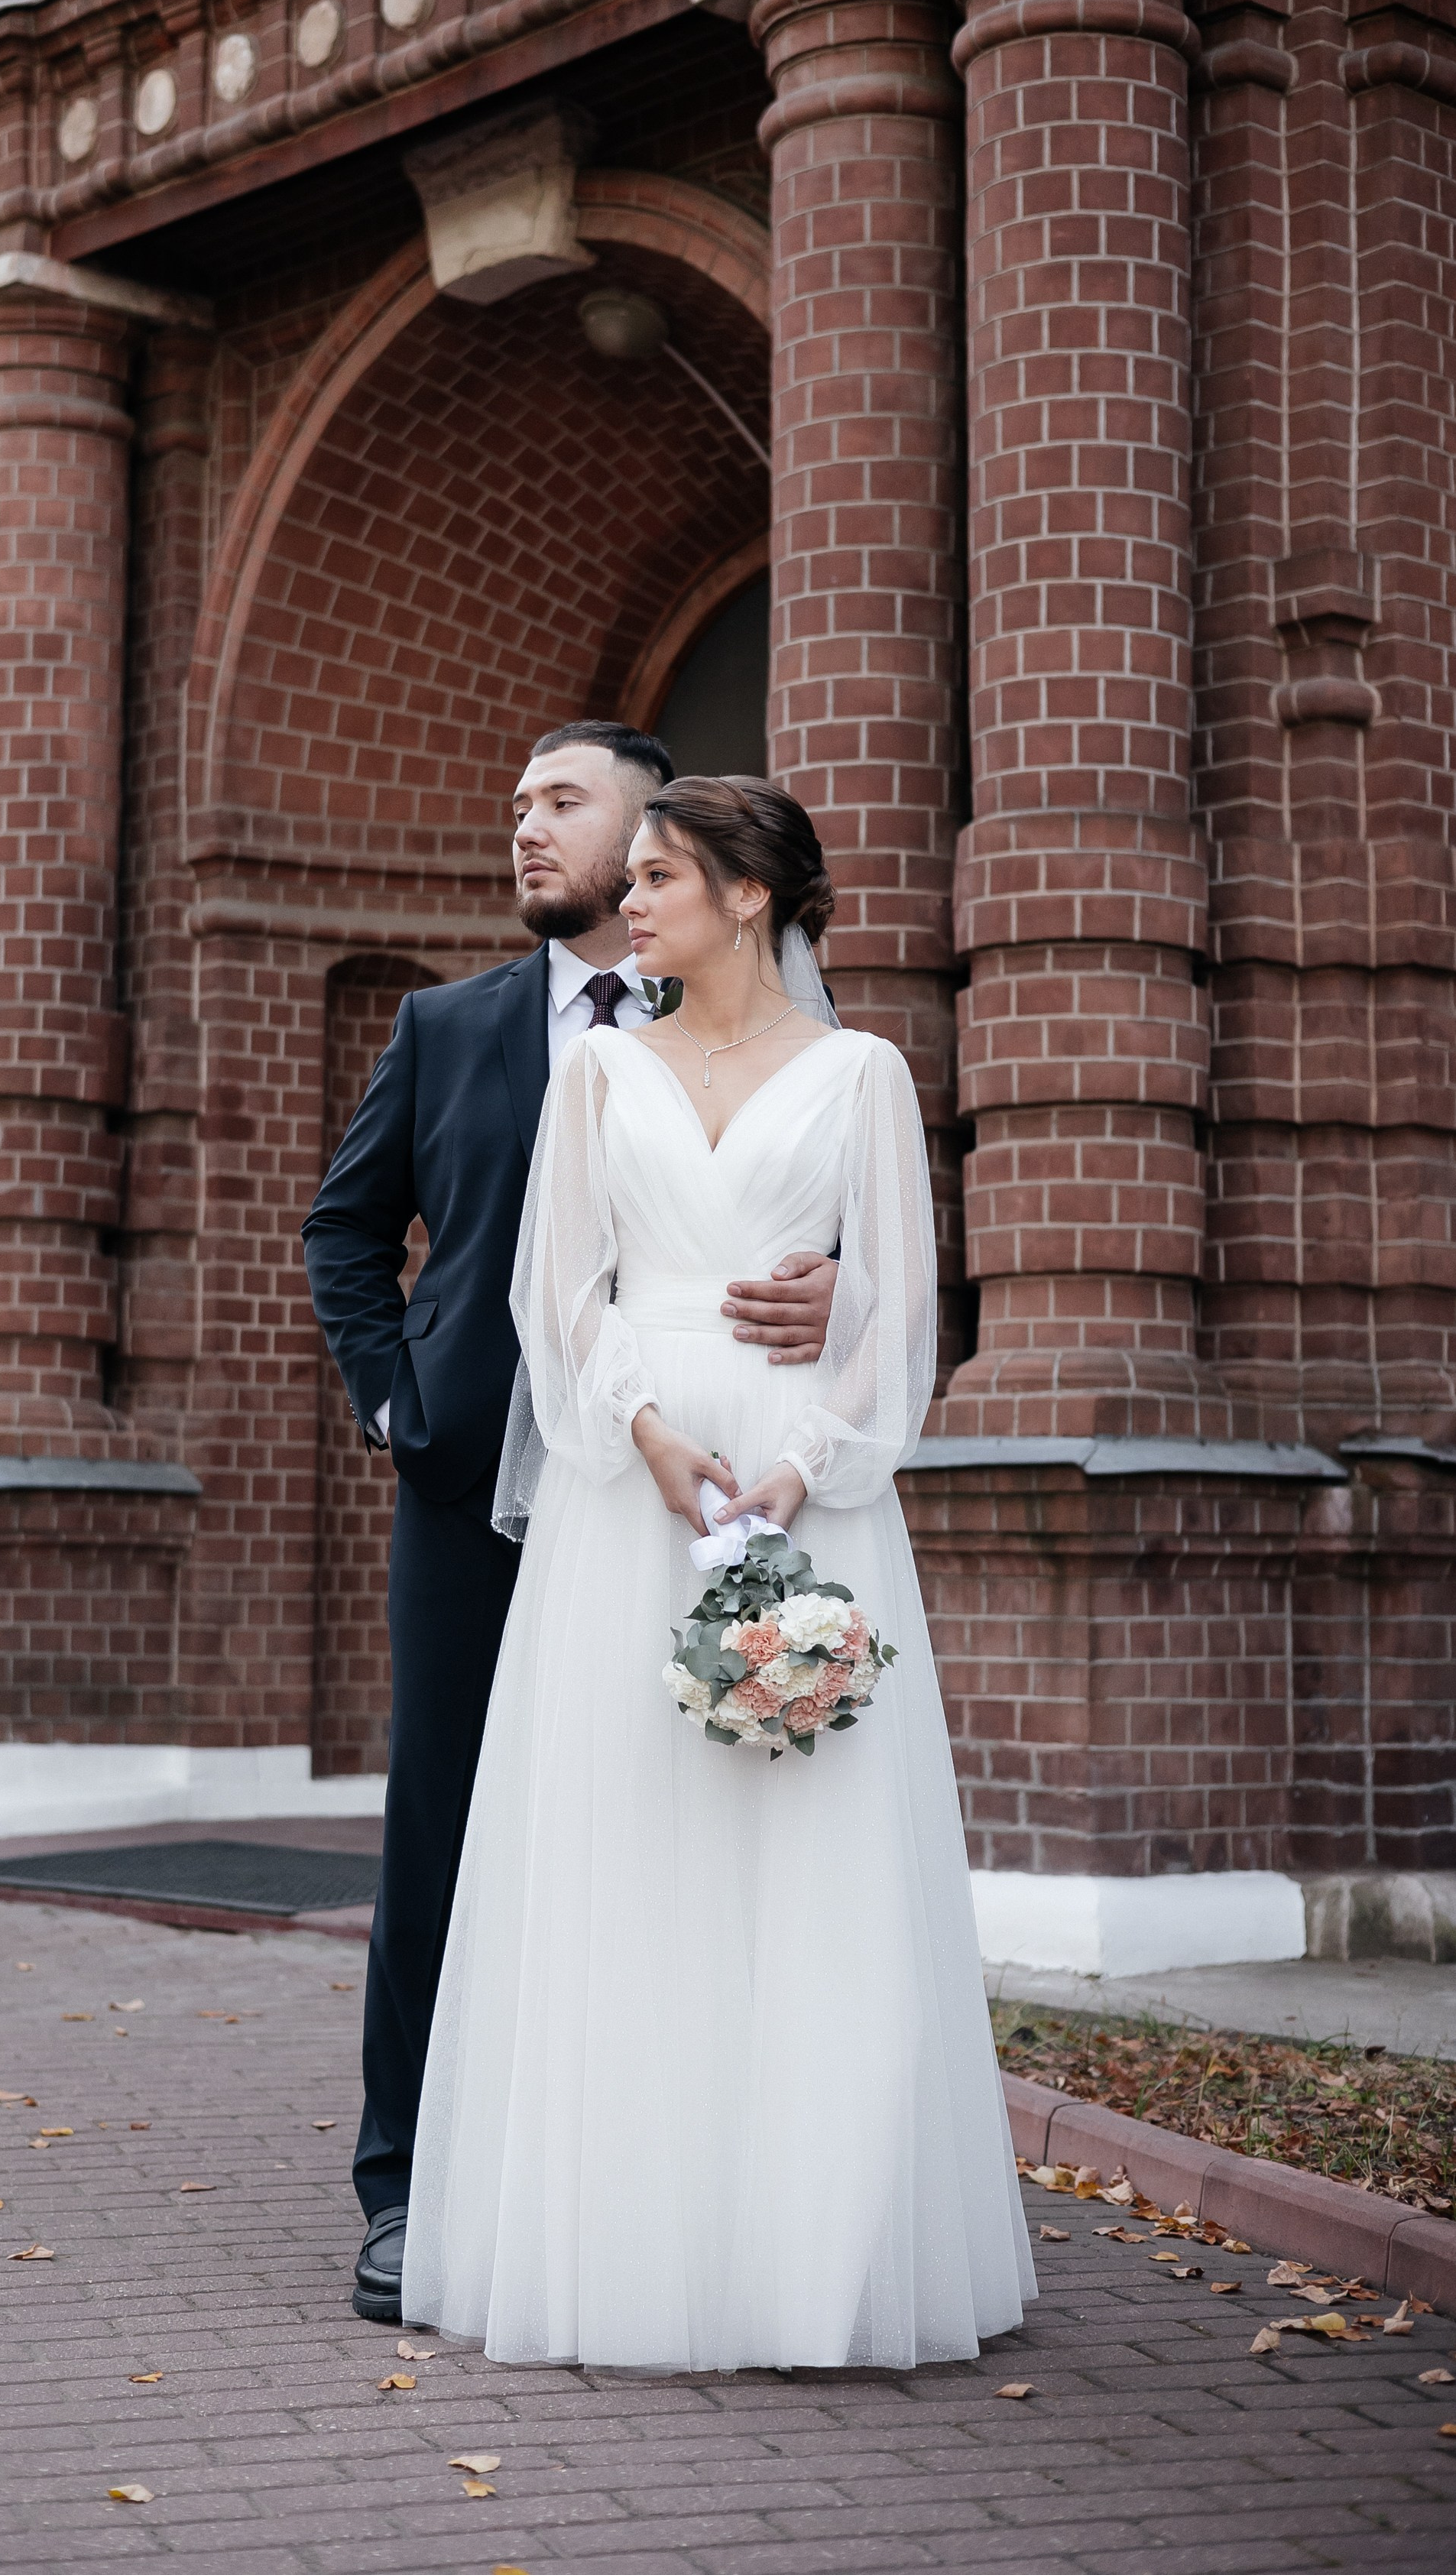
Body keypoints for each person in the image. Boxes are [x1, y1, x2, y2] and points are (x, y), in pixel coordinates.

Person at [401, 775, 1036, 2369]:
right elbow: (560, 1298)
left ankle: (809, 2256)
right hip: (637, 1488)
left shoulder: (865, 1075)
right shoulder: (601, 1072)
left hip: (801, 1492)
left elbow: (898, 1311)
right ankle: (629, 2240)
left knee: (802, 1862)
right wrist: (651, 1430)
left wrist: (804, 1460)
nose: (634, 902)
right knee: (632, 1851)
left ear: (751, 895)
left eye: (663, 876)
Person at [303, 725, 842, 2322]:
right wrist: (399, 1400)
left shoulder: (755, 1031)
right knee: (446, 1833)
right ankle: (408, 2181)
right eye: (515, 806)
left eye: (561, 804)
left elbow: (836, 1218)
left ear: (650, 832)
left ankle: (650, 2177)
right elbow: (346, 1225)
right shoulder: (447, 1024)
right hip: (479, 1492)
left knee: (662, 1825)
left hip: (681, 1492)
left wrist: (831, 1284)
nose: (526, 831)